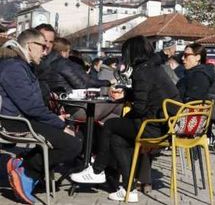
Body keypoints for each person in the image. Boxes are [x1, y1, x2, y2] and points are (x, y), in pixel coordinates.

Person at [70, 36, 181, 202]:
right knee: (117, 139)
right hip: (165, 124)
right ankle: (129, 190)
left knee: (109, 125)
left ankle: (97, 170)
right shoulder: (154, 67)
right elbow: (148, 94)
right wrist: (126, 94)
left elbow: (140, 108)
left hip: (152, 126)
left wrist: (127, 104)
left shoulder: (142, 72)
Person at [1, 30, 82, 205]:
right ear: (30, 46)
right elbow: (30, 107)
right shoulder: (14, 68)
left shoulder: (22, 66)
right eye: (43, 47)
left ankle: (23, 165)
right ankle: (26, 171)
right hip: (14, 122)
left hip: (24, 119)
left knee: (76, 136)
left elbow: (34, 105)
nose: (46, 52)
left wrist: (55, 119)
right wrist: (58, 124)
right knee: (72, 144)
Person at [38, 38, 118, 122]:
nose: (69, 55)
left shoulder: (45, 63)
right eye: (68, 52)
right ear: (63, 52)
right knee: (118, 99)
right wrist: (108, 83)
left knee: (113, 118)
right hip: (75, 108)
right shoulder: (63, 63)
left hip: (59, 107)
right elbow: (81, 85)